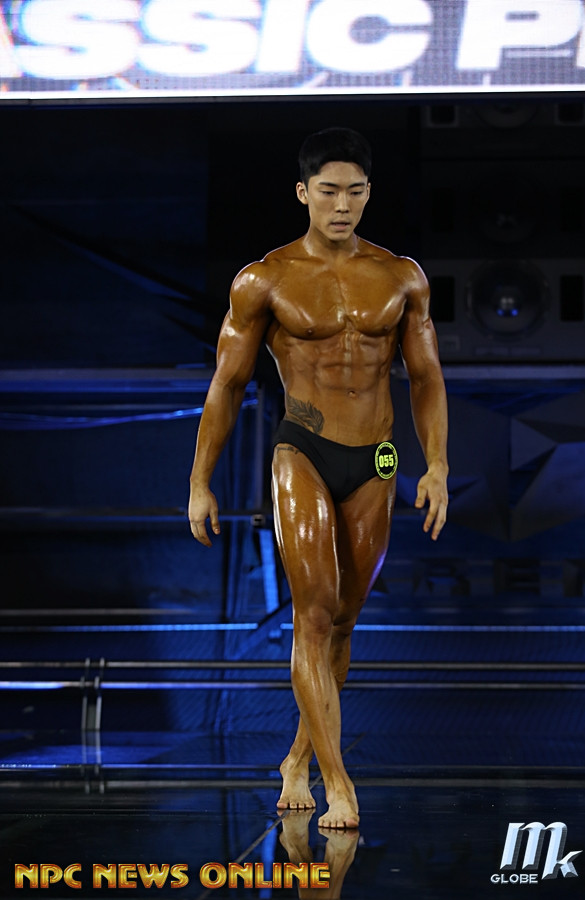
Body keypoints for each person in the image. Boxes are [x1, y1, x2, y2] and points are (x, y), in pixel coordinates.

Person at [188, 127, 448, 830]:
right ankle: (339, 782)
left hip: (379, 455)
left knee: (345, 619)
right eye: (329, 191)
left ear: (369, 194)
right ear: (303, 193)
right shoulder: (265, 279)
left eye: (355, 192)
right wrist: (200, 481)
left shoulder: (401, 276)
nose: (342, 205)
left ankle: (298, 757)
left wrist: (438, 465)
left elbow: (426, 377)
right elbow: (226, 384)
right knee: (313, 613)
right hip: (301, 447)